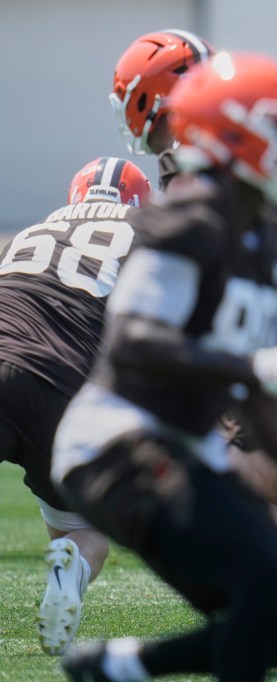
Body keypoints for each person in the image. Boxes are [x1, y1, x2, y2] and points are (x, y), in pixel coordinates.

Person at [55, 52, 277, 681]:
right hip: (118, 445)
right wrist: (263, 367)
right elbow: (134, 344)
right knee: (261, 583)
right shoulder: (187, 219)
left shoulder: (261, 240)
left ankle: (121, 667)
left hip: (183, 450)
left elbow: (253, 391)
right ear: (231, 136)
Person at [0, 158, 149, 657]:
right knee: (84, 530)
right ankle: (72, 569)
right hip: (61, 388)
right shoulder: (143, 232)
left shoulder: (32, 231)